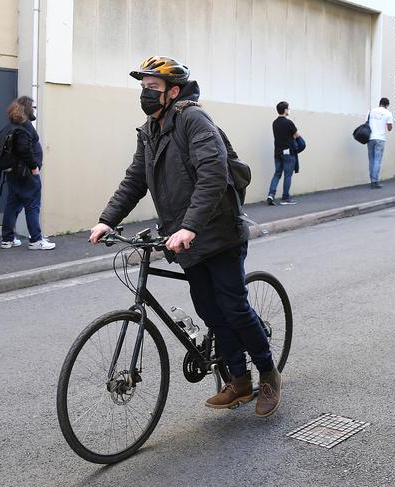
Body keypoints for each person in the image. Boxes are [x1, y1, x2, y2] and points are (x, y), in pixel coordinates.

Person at [89, 56, 282, 417]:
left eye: (152, 88)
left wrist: (190, 226)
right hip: (186, 240)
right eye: (143, 88)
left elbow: (212, 174)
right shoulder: (149, 130)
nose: (145, 94)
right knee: (211, 312)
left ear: (173, 91)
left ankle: (269, 374)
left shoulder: (194, 119)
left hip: (218, 232)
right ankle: (239, 382)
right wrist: (107, 220)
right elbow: (135, 180)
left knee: (234, 307)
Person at [0, 96, 55, 250]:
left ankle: (7, 239)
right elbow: (24, 149)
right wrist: (34, 166)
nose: (35, 110)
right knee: (32, 206)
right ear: (27, 108)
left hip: (13, 174)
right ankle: (36, 241)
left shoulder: (10, 126)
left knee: (13, 204)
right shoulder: (24, 127)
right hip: (27, 174)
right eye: (34, 107)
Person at [267, 101, 301, 205]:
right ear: (285, 110)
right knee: (288, 175)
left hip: (277, 152)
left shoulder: (274, 123)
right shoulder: (289, 123)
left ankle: (271, 195)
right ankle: (285, 198)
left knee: (277, 174)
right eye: (288, 108)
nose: (289, 110)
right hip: (288, 153)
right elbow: (297, 135)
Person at [366, 97, 393, 188]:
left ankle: (371, 180)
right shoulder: (388, 113)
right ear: (387, 105)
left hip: (370, 137)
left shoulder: (371, 111)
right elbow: (389, 128)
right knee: (377, 160)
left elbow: (367, 122)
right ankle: (374, 181)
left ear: (380, 103)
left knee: (371, 160)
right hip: (380, 139)